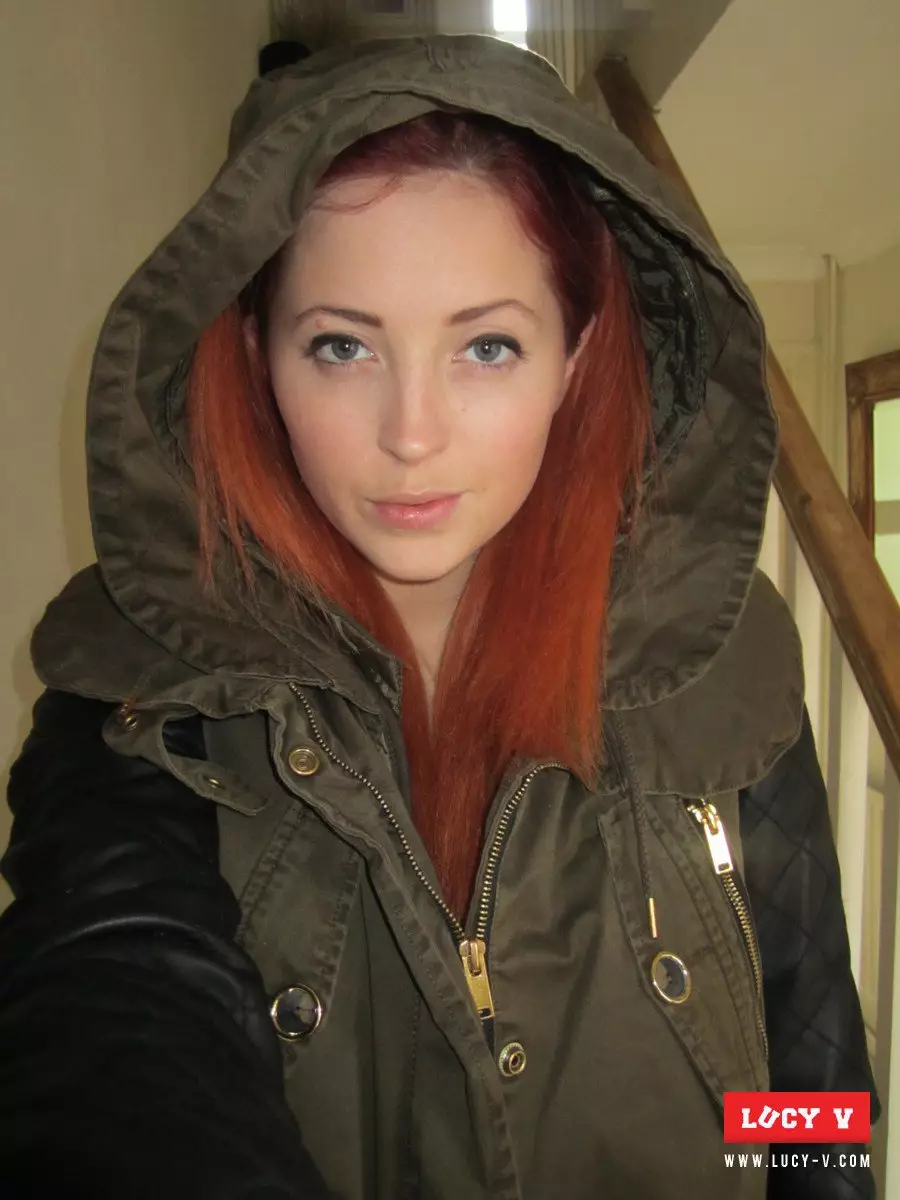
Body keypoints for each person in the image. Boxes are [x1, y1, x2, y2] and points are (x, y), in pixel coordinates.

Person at [0, 31, 879, 1200]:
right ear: (255, 353)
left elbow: (812, 1092)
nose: (411, 434)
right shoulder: (137, 699)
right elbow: (116, 1027)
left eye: (487, 346)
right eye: (342, 346)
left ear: (575, 359)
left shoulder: (722, 656)